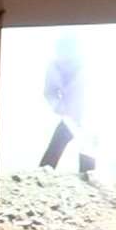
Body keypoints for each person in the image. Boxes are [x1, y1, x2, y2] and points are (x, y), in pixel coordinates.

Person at [38, 35, 97, 175]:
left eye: (68, 50)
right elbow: (49, 92)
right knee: (57, 144)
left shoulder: (88, 65)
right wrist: (58, 106)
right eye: (61, 50)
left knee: (88, 148)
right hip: (68, 115)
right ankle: (43, 174)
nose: (64, 54)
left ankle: (87, 176)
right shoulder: (54, 67)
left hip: (90, 115)